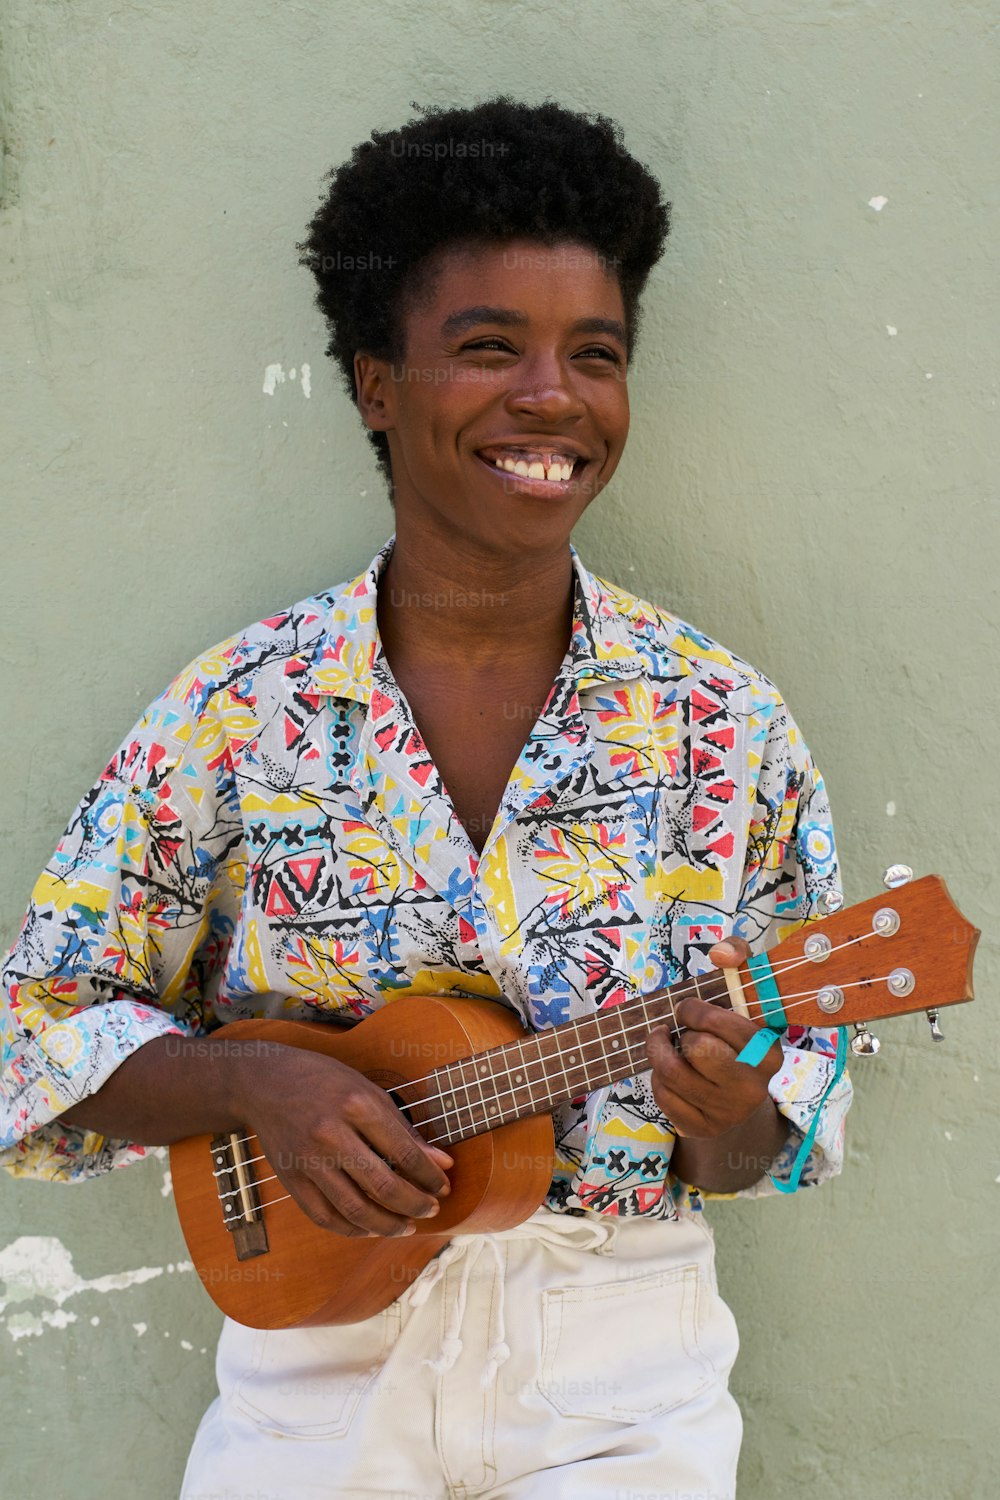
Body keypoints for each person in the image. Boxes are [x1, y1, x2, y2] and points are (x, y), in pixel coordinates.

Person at [1, 97, 852, 1499]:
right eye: (486, 348)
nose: (552, 397)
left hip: (619, 1375)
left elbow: (762, 1144)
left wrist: (730, 1104)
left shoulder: (723, 724)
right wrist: (251, 1080)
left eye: (596, 354)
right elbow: (44, 1025)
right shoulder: (236, 710)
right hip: (314, 1374)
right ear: (377, 385)